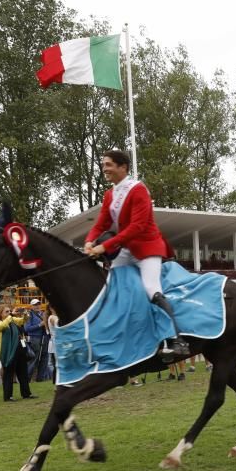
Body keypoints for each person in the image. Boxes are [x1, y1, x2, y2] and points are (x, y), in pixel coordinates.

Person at [84, 149, 189, 356]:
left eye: (108, 165)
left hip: (148, 246)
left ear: (123, 167)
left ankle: (177, 340)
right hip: (127, 248)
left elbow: (138, 227)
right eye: (103, 165)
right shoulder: (109, 194)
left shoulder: (138, 190)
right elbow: (102, 223)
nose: (104, 169)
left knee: (151, 288)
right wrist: (89, 241)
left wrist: (104, 246)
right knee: (111, 288)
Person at [0, 304, 36, 402]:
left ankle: (26, 394)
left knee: (23, 372)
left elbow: (23, 321)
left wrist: (25, 313)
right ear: (0, 314)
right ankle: (8, 396)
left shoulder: (12, 320)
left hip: (19, 349)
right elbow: (1, 326)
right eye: (6, 312)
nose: (9, 313)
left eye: (9, 311)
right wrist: (11, 315)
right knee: (8, 374)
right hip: (7, 352)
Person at [24, 299, 51, 381]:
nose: (37, 306)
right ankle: (27, 378)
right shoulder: (29, 315)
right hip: (35, 338)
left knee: (44, 357)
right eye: (35, 305)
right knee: (34, 359)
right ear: (31, 306)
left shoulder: (43, 313)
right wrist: (40, 325)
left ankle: (41, 378)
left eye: (38, 304)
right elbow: (27, 328)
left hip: (45, 337)